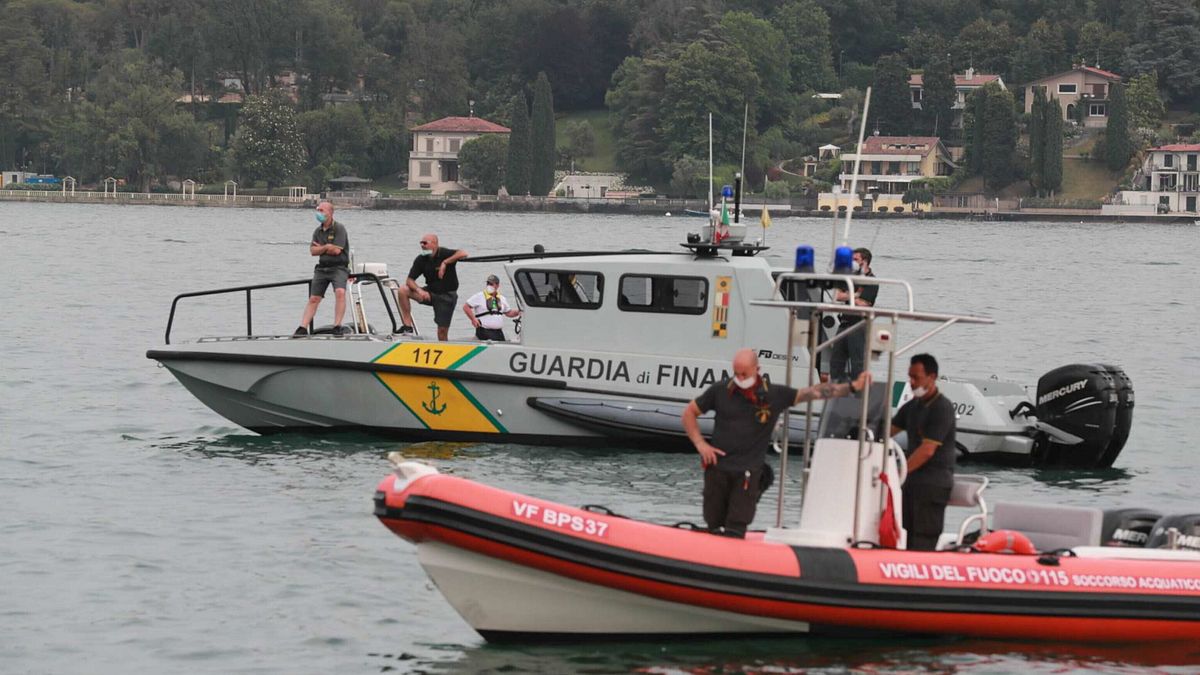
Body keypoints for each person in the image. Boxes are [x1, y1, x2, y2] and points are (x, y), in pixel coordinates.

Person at [682, 348, 871, 538]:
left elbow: (813, 393)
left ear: (757, 369)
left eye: (744, 373)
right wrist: (700, 444)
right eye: (736, 373)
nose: (740, 378)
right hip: (718, 469)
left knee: (736, 525)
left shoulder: (773, 395)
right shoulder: (719, 391)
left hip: (747, 473)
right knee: (713, 521)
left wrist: (852, 386)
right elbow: (690, 412)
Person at [889, 353, 957, 551]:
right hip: (911, 484)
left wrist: (899, 473)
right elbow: (888, 430)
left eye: (916, 377)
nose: (911, 382)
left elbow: (927, 450)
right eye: (910, 377)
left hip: (932, 485)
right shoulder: (912, 407)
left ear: (932, 377)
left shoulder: (942, 408)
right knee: (904, 533)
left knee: (922, 540)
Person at [395, 233, 467, 341]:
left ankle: (444, 348)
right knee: (403, 290)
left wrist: (445, 262)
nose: (422, 245)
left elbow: (463, 253)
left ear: (435, 244)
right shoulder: (421, 259)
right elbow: (409, 280)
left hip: (447, 296)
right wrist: (419, 290)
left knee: (442, 332)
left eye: (425, 243)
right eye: (421, 243)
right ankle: (407, 327)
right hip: (430, 293)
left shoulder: (443, 253)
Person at [295, 201, 350, 337]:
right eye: (317, 210)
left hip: (339, 267)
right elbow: (313, 251)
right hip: (322, 268)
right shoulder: (317, 231)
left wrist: (321, 248)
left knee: (340, 292)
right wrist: (326, 247)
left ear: (330, 213)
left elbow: (336, 251)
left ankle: (337, 326)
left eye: (321, 210)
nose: (318, 213)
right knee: (314, 298)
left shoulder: (339, 228)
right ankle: (302, 327)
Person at [828, 247, 878, 383]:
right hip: (844, 324)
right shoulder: (850, 277)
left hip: (859, 325)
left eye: (855, 259)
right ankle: (837, 389)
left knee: (858, 364)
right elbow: (837, 295)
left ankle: (858, 392)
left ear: (864, 261)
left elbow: (864, 304)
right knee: (836, 361)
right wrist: (855, 295)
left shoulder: (871, 280)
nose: (852, 263)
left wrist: (849, 296)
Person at [463, 274, 521, 341]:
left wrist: (519, 312)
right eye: (488, 283)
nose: (489, 285)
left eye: (491, 284)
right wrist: (473, 319)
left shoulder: (502, 298)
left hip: (499, 332)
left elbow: (509, 313)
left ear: (497, 285)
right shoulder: (479, 296)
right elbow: (466, 307)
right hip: (484, 331)